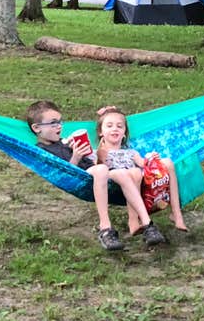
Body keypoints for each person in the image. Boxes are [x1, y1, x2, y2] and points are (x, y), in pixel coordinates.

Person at [26, 101, 148, 251]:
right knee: (102, 170)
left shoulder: (62, 142)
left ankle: (145, 222)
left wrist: (77, 148)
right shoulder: (42, 150)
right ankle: (105, 227)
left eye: (59, 121)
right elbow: (65, 173)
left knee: (131, 173)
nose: (59, 126)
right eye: (53, 123)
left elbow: (91, 160)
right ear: (36, 128)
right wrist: (76, 157)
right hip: (84, 176)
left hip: (98, 170)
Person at [94, 104, 187, 244]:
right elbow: (97, 171)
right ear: (101, 132)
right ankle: (133, 220)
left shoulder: (131, 152)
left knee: (167, 162)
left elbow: (144, 164)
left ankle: (177, 214)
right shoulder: (99, 152)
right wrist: (101, 157)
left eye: (120, 126)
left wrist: (150, 157)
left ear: (124, 132)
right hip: (114, 179)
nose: (115, 129)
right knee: (134, 172)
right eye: (109, 126)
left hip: (138, 180)